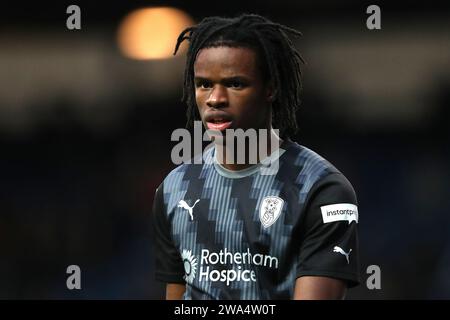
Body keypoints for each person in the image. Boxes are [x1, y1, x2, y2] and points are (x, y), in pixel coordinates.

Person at [152, 13, 360, 300]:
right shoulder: (173, 189)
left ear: (271, 88)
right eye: (204, 84)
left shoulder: (322, 190)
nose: (215, 98)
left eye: (235, 84)